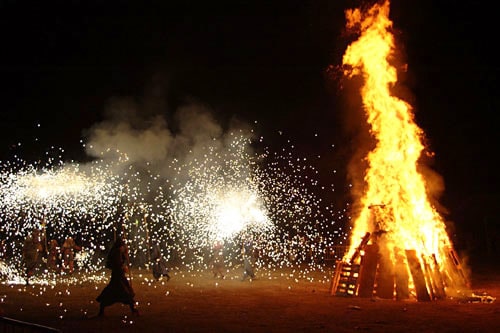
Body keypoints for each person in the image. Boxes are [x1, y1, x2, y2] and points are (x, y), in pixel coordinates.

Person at [96, 237, 139, 316]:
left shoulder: (118, 252)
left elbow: (121, 261)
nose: (123, 247)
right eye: (123, 246)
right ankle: (133, 309)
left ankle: (133, 309)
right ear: (120, 246)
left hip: (119, 276)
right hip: (117, 277)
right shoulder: (116, 252)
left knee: (125, 293)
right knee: (123, 293)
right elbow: (117, 264)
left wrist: (125, 254)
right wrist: (123, 267)